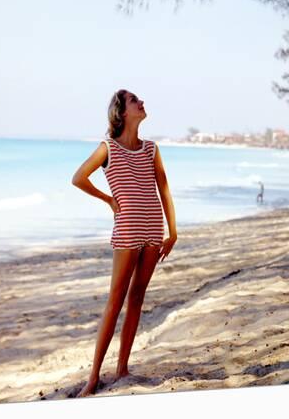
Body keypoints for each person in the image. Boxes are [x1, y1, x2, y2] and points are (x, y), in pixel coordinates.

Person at [71, 89, 178, 397]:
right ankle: (93, 378)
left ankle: (122, 369)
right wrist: (108, 200)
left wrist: (173, 232)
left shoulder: (151, 149)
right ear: (121, 112)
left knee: (138, 298)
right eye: (135, 100)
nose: (142, 102)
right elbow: (79, 178)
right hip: (128, 229)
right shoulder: (108, 148)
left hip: (152, 228)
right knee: (115, 300)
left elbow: (165, 190)